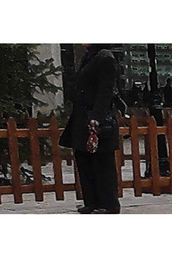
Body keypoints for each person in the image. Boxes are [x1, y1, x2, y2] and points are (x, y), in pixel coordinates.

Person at [59, 44, 121, 214]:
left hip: (96, 118)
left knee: (102, 162)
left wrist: (97, 117)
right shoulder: (89, 57)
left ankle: (108, 203)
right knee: (84, 159)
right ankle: (92, 201)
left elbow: (105, 91)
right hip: (81, 117)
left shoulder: (105, 57)